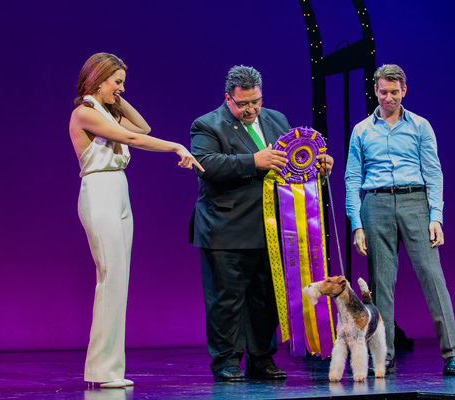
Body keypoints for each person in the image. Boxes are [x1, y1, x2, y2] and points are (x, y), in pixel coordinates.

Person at [189, 65, 333, 382]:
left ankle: (261, 358)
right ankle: (226, 361)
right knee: (226, 301)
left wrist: (316, 163)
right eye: (243, 104)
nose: (251, 109)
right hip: (226, 229)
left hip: (273, 229)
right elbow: (207, 165)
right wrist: (253, 161)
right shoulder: (207, 125)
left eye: (256, 101)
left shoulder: (276, 120)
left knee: (266, 297)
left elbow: (294, 161)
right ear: (228, 98)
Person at [69, 52, 203, 388]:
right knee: (110, 277)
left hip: (118, 189)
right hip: (98, 188)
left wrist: (117, 98)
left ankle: (110, 369)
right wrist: (175, 147)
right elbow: (131, 138)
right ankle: (102, 370)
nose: (121, 88)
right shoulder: (84, 112)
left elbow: (142, 127)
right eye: (117, 82)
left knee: (119, 280)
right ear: (98, 79)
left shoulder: (106, 110)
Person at [344, 64, 455, 376]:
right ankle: (384, 356)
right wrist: (357, 224)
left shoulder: (420, 126)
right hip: (377, 204)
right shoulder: (362, 130)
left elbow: (434, 173)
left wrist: (436, 216)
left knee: (432, 278)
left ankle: (452, 354)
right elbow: (353, 179)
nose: (388, 98)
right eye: (383, 92)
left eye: (394, 92)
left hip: (415, 202)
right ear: (375, 90)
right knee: (381, 286)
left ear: (404, 91)